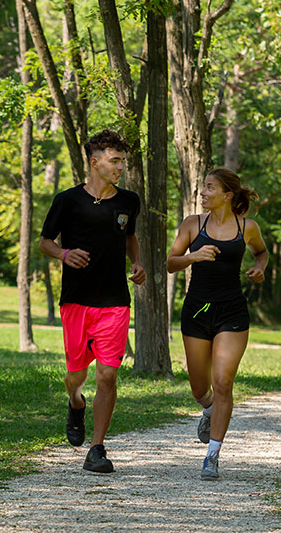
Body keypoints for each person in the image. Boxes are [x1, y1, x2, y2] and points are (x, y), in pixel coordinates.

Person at [39, 129, 145, 473]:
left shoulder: (128, 201)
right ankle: (74, 402)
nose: (120, 168)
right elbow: (45, 243)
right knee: (76, 374)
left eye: (122, 162)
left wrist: (137, 263)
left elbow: (130, 237)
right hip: (76, 300)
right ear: (94, 162)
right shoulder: (67, 200)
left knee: (108, 376)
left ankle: (97, 448)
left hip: (114, 300)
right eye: (115, 161)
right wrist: (64, 254)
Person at [166, 167, 268, 480]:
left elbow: (261, 253)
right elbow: (171, 263)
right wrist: (193, 257)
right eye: (203, 187)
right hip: (197, 310)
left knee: (223, 381)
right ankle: (207, 408)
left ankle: (212, 455)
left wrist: (259, 268)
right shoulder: (192, 224)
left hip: (232, 312)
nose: (203, 192)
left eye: (210, 188)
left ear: (227, 195)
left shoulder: (246, 227)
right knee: (200, 387)